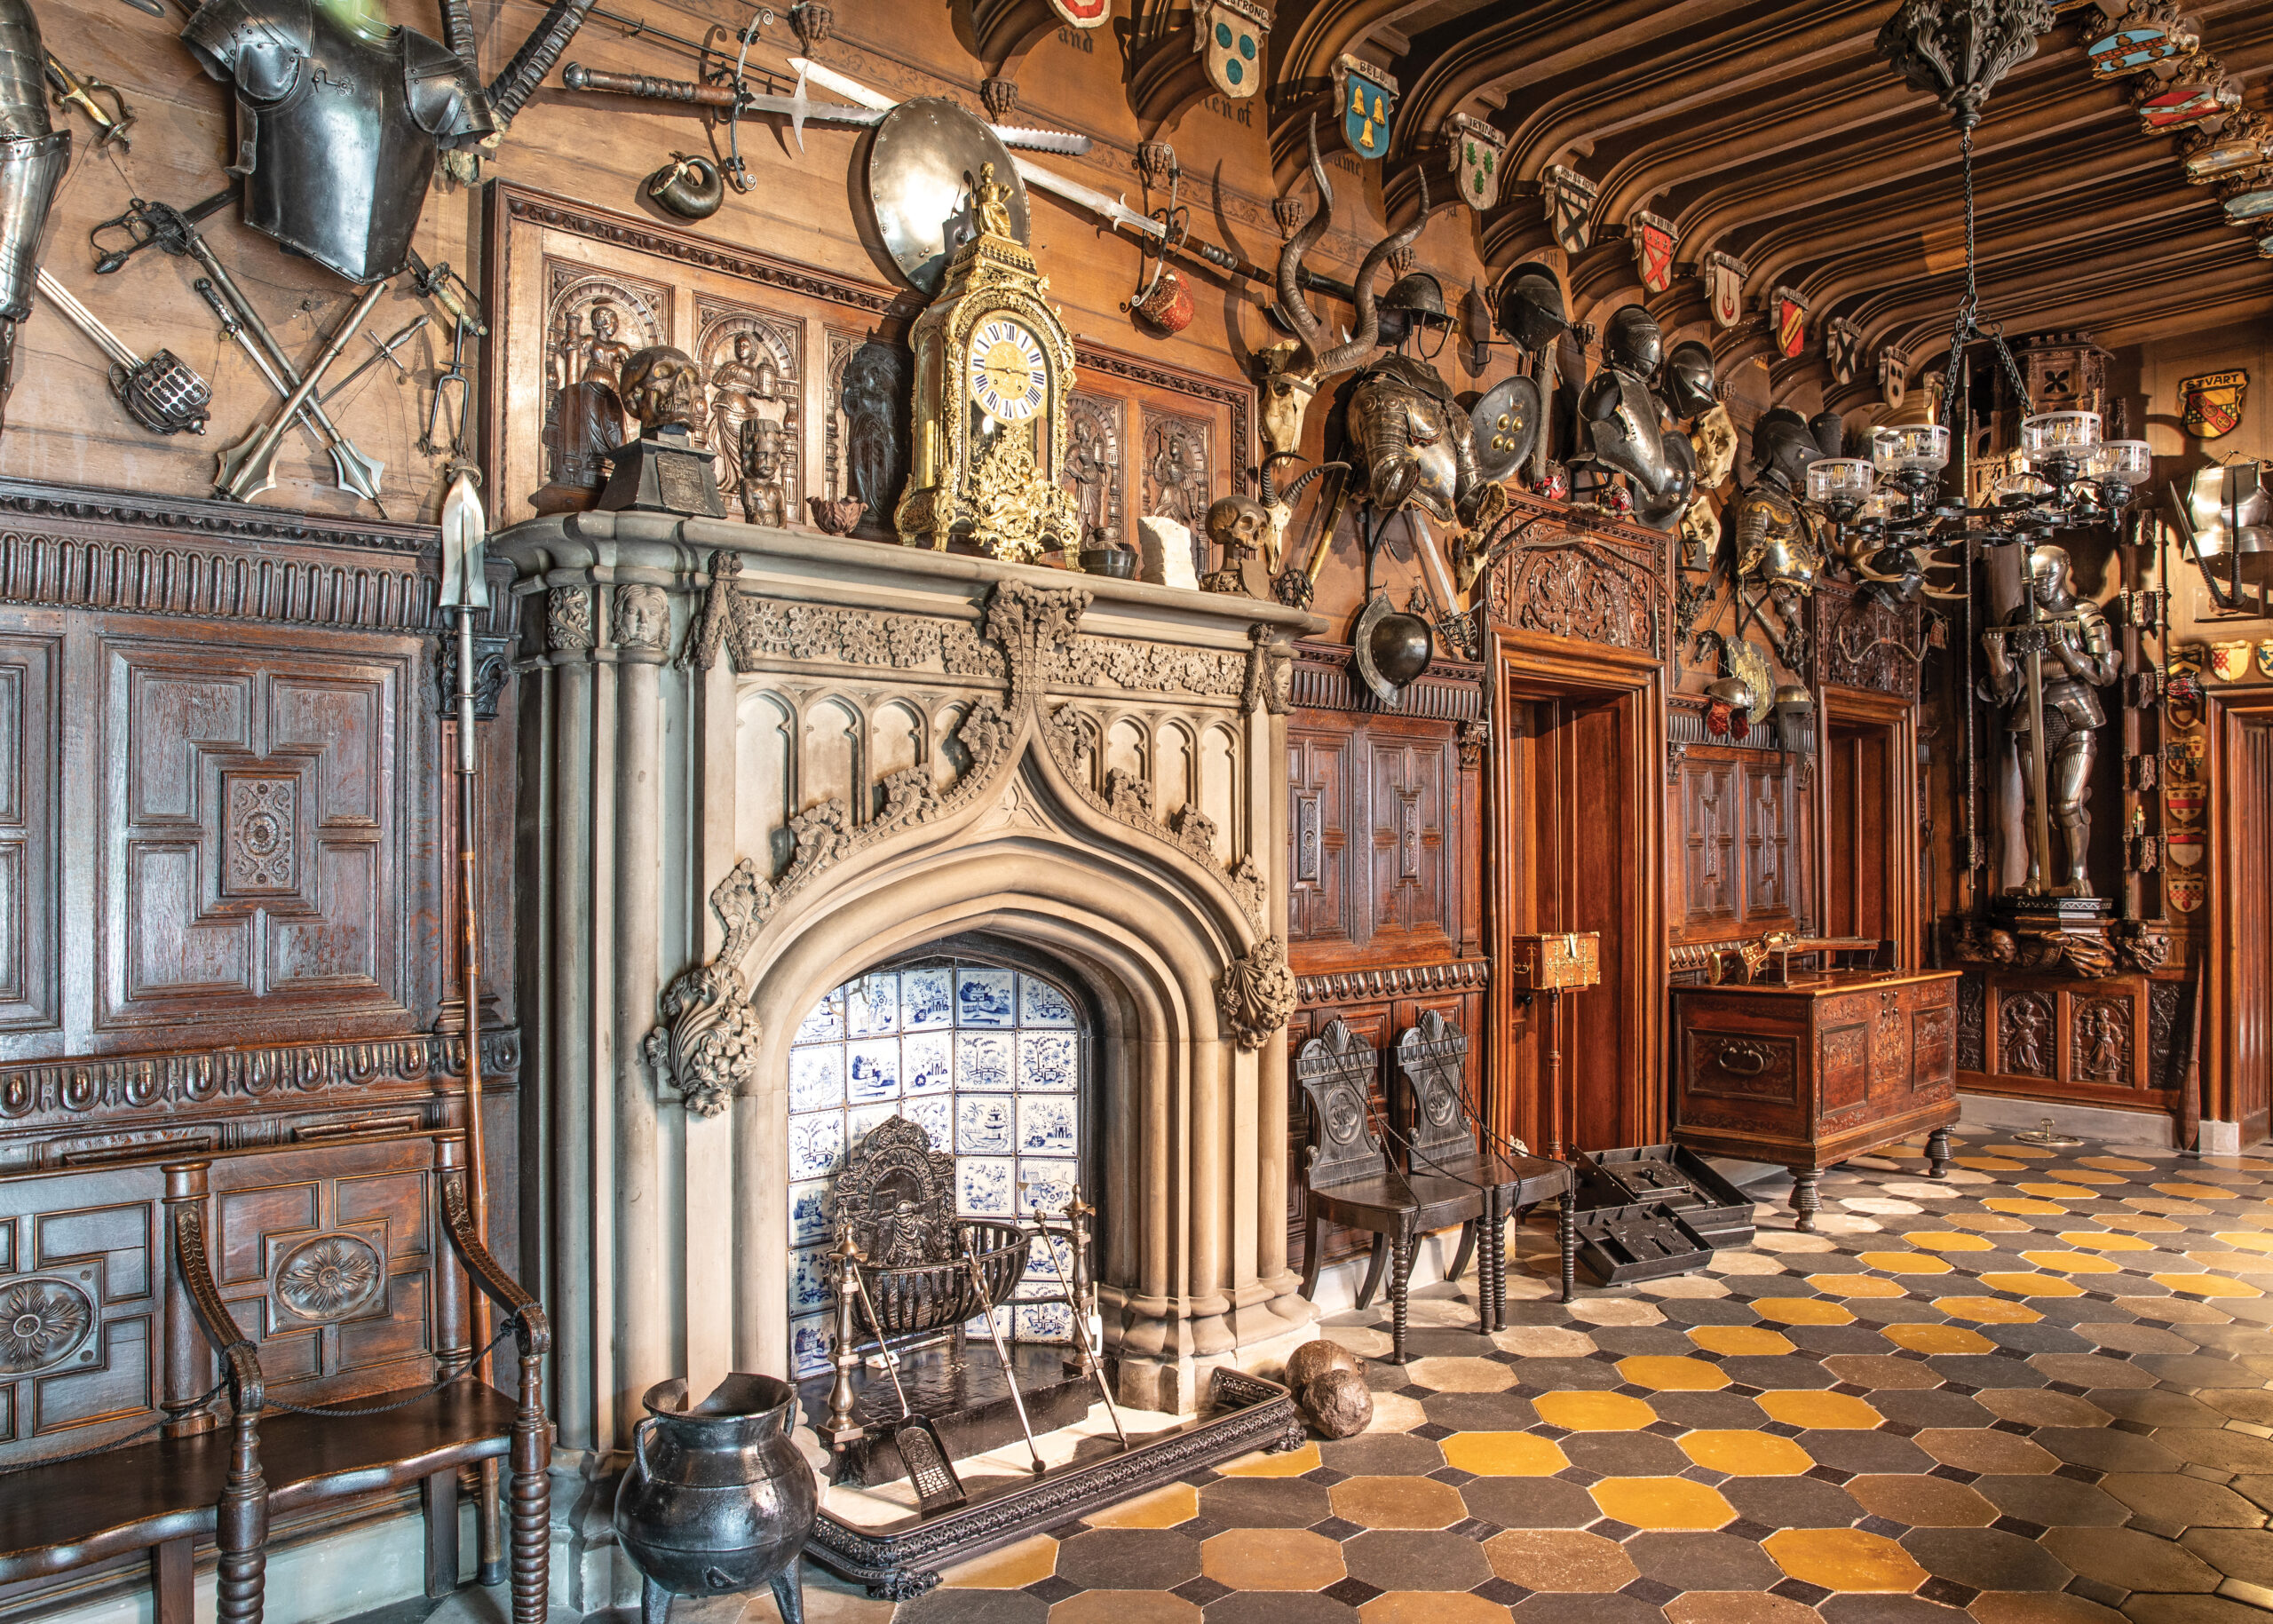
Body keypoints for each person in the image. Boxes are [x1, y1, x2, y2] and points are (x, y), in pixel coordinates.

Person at [1982, 544, 2119, 898]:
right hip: (2032, 711)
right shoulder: (2018, 618)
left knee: (2068, 804)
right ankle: (2035, 876)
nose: (2040, 587)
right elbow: (2005, 687)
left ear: (2064, 571)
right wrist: (1998, 656)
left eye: (2046, 578)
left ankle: (2078, 876)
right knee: (2034, 805)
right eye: (2034, 581)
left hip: (2076, 712)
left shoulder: (2085, 614)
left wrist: (2066, 651)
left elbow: (2104, 674)